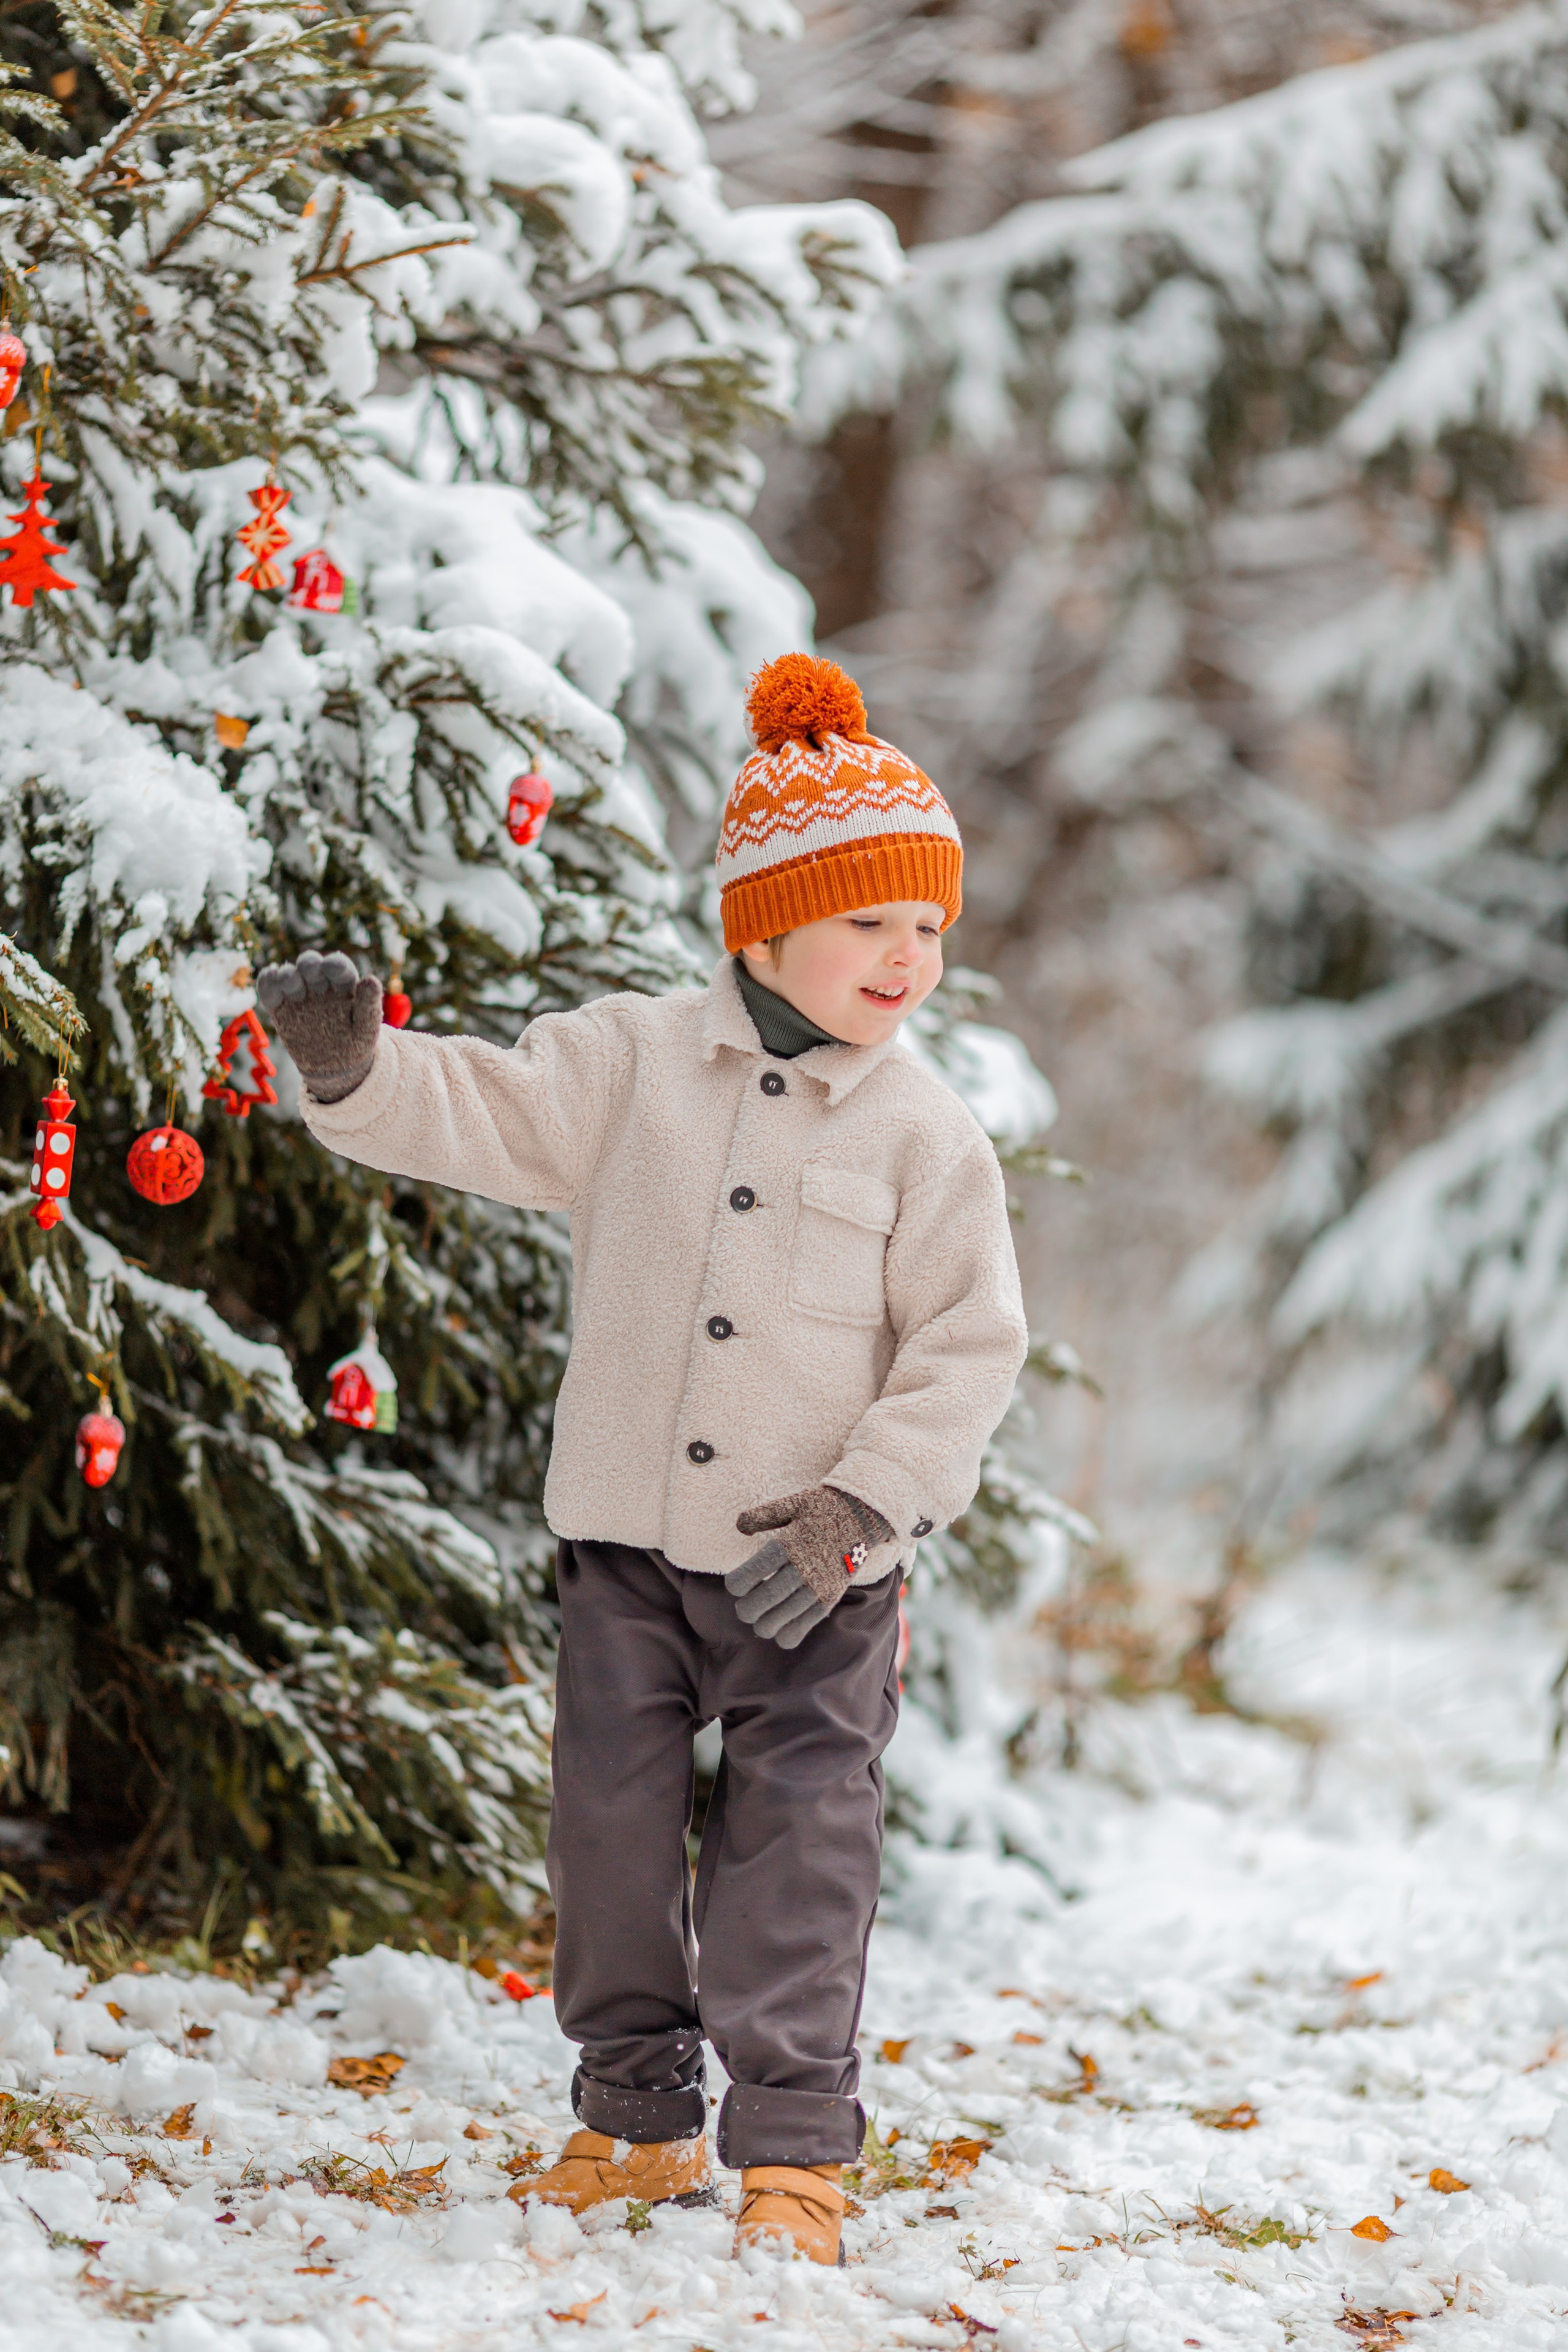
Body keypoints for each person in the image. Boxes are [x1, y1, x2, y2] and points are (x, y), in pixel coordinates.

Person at [259, 653, 1029, 2266]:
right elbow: (479, 1111)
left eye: (929, 930)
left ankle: (797, 2152)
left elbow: (969, 1348)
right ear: (766, 920)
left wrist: (863, 1505)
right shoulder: (626, 1068)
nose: (910, 958)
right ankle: (635, 2121)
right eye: (871, 921)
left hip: (821, 1571)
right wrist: (356, 1072)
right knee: (604, 1835)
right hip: (625, 1548)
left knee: (797, 1858)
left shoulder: (923, 1135)